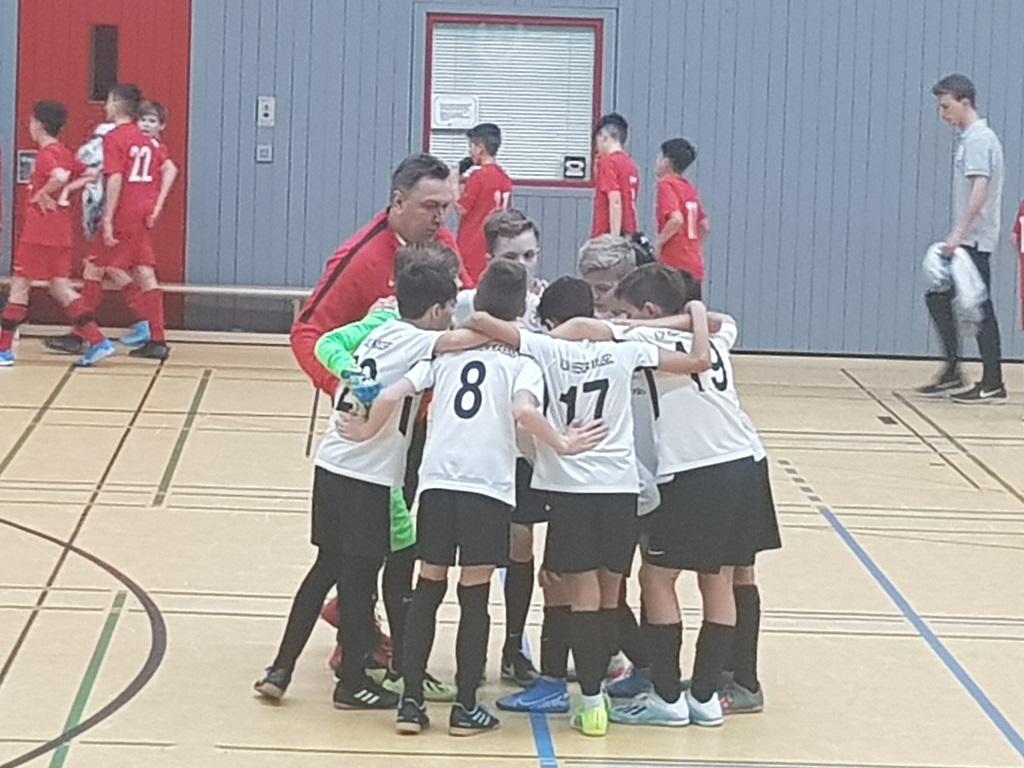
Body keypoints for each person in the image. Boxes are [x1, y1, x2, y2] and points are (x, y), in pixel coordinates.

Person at [462, 283, 708, 738]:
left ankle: (592, 703)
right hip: (620, 489)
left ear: (554, 321)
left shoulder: (545, 349)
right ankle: (616, 686)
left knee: (580, 596)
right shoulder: (625, 348)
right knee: (610, 594)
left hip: (571, 489)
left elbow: (479, 321)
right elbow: (697, 360)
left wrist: (555, 336)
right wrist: (684, 312)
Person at [254, 259, 482, 711]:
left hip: (331, 464)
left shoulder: (380, 329)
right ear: (438, 310)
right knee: (359, 583)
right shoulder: (420, 339)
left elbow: (331, 343)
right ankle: (352, 682)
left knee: (327, 568)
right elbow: (463, 340)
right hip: (366, 477)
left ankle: (280, 668)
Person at [566, 264, 780, 726]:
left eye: (625, 312)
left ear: (647, 311)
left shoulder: (645, 339)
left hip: (694, 471)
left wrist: (630, 327)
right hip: (744, 462)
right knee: (719, 579)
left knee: (656, 579)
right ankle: (705, 697)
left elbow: (585, 329)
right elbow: (722, 320)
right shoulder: (716, 335)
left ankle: (666, 697)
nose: (619, 319)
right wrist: (692, 313)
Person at [291, 153, 464, 397]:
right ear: (399, 202)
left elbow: (466, 301)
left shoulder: (442, 240)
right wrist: (344, 389)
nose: (440, 218)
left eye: (445, 207)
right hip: (376, 404)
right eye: (430, 206)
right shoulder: (360, 260)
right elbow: (306, 333)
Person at [0, 100, 111, 366]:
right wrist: (67, 192)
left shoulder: (48, 153)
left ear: (38, 124)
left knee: (20, 286)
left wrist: (44, 191)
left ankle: (3, 350)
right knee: (60, 287)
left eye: (31, 121)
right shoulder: (64, 151)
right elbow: (91, 173)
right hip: (61, 234)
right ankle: (98, 341)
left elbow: (60, 176)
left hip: (39, 234)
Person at [919, 74, 1005, 402]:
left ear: (964, 101)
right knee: (939, 297)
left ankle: (993, 382)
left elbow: (980, 191)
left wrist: (959, 233)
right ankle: (954, 370)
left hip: (975, 241)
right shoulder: (971, 139)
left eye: (946, 106)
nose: (943, 114)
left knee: (980, 309)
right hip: (969, 240)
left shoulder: (979, 140)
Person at [456, 123, 513, 286]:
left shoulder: (478, 177)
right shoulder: (504, 178)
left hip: (472, 246)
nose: (470, 152)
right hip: (493, 246)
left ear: (480, 148)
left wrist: (454, 182)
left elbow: (461, 208)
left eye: (472, 146)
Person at [654, 138, 709, 286]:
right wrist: (693, 245)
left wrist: (659, 244)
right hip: (694, 264)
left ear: (666, 162)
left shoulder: (666, 185)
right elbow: (704, 225)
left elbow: (676, 219)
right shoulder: (689, 188)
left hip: (674, 264)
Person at [592, 113, 639, 238]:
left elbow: (615, 200)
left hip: (607, 235)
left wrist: (614, 239)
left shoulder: (608, 162)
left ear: (604, 137)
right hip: (629, 232)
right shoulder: (631, 165)